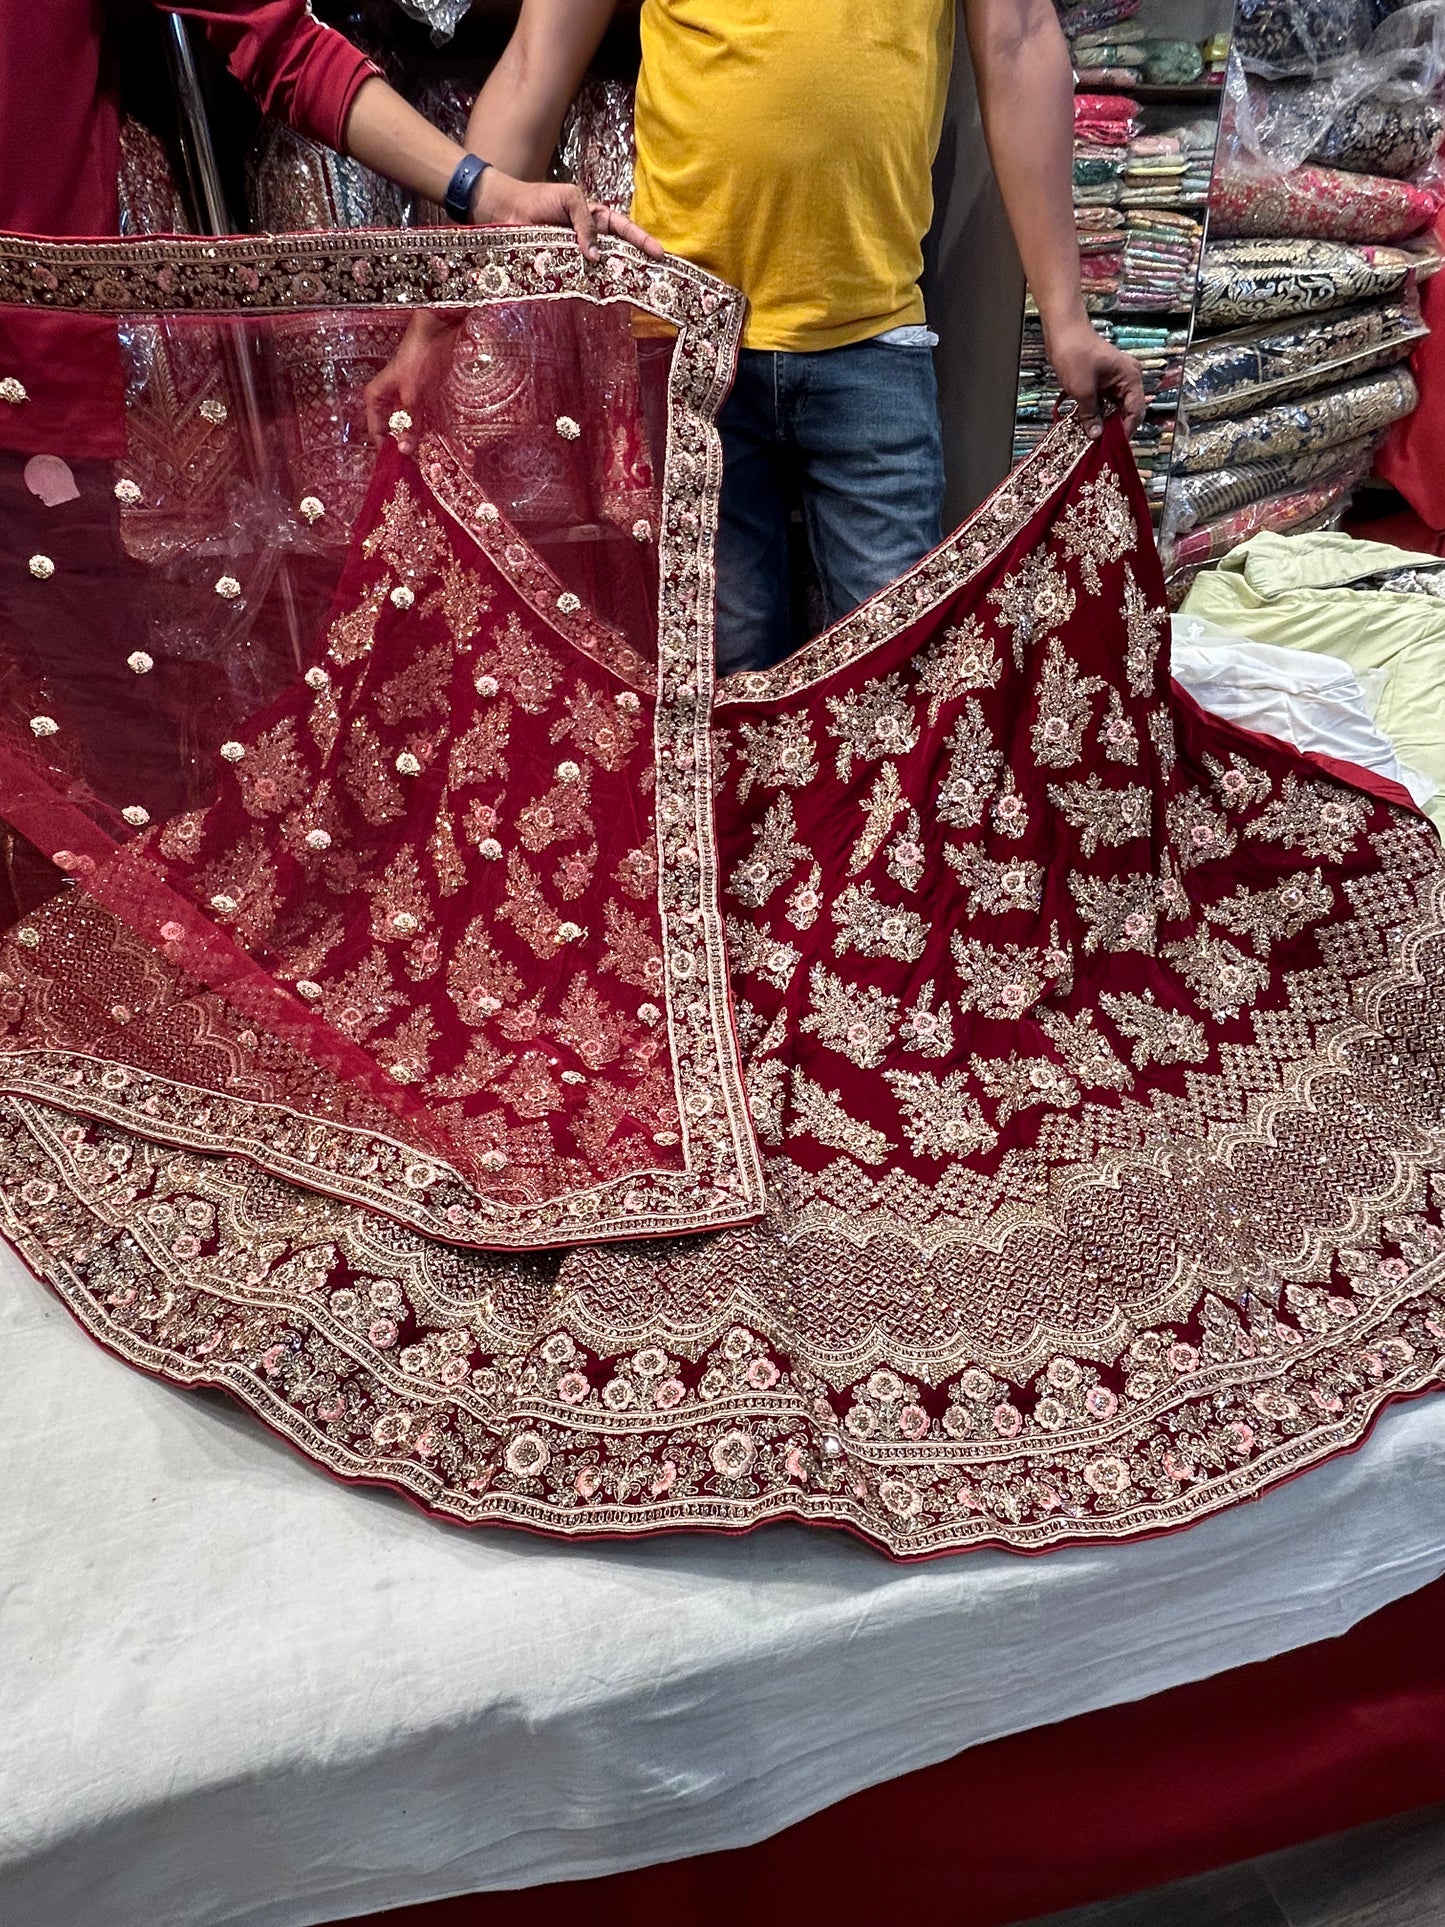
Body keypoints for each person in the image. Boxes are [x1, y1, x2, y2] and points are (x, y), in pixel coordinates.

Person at [368, 0, 1147, 674]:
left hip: (871, 333)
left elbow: (1018, 41)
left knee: (894, 671)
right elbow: (534, 68)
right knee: (724, 674)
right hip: (690, 341)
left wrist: (1066, 319)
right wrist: (438, 318)